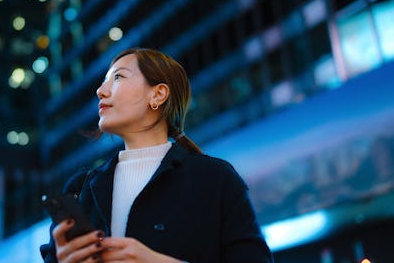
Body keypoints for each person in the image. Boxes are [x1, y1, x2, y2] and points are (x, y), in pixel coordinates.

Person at [40, 47, 274, 263]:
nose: (101, 91)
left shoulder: (215, 179)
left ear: (158, 95)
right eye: (104, 82)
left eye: (118, 77)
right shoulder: (80, 188)